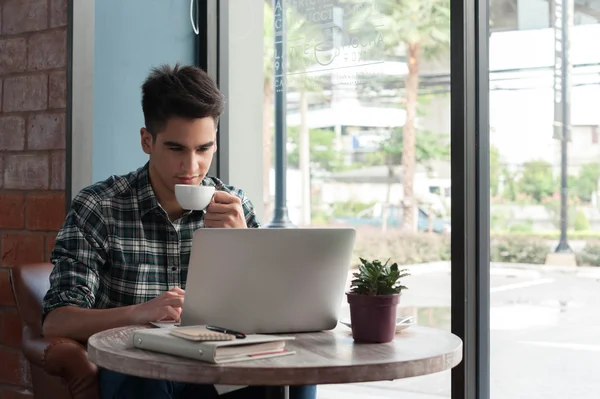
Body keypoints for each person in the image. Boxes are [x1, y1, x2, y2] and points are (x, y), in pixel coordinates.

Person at [41, 64, 317, 399]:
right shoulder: (99, 206)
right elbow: (56, 321)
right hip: (139, 368)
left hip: (217, 362)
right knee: (147, 379)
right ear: (147, 141)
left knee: (290, 371)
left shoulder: (233, 206)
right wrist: (138, 314)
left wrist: (245, 242)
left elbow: (275, 310)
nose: (191, 167)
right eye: (176, 149)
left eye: (204, 149)